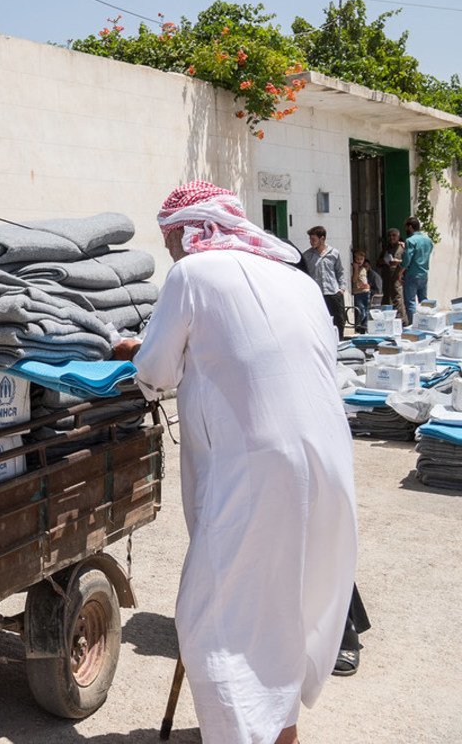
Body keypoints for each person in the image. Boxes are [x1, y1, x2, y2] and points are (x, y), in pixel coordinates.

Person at [114, 181, 357, 744]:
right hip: (328, 456)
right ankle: (281, 729)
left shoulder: (192, 275)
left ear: (184, 230)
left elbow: (155, 374)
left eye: (169, 237)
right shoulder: (295, 278)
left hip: (259, 467)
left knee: (210, 620)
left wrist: (135, 352)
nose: (170, 249)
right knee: (284, 604)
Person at [302, 226, 348, 340]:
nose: (311, 242)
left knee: (338, 320)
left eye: (313, 239)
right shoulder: (307, 255)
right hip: (316, 294)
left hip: (333, 292)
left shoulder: (334, 253)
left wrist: (341, 289)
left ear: (322, 239)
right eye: (310, 239)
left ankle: (339, 342)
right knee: (319, 320)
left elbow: (340, 271)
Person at [401, 215, 434, 326]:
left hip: (412, 274)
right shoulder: (428, 240)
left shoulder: (410, 240)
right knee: (424, 301)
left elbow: (406, 261)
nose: (405, 230)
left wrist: (399, 272)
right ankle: (426, 324)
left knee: (410, 302)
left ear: (410, 227)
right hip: (424, 274)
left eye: (406, 227)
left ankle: (413, 326)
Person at [381, 228, 406, 321]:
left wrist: (398, 262)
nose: (391, 237)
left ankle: (402, 321)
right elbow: (378, 262)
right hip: (387, 277)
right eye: (389, 236)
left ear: (398, 237)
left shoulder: (403, 248)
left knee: (398, 298)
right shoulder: (386, 249)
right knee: (386, 298)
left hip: (398, 277)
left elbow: (408, 262)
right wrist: (384, 260)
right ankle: (387, 320)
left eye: (394, 235)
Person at [351, 249, 371, 334]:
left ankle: (364, 328)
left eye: (361, 259)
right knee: (361, 311)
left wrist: (367, 286)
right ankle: (357, 326)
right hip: (358, 293)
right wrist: (355, 269)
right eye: (357, 259)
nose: (359, 261)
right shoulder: (355, 268)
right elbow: (354, 280)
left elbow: (364, 280)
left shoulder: (363, 269)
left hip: (366, 292)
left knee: (366, 311)